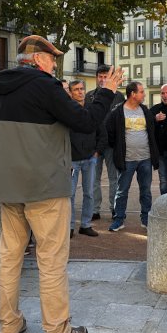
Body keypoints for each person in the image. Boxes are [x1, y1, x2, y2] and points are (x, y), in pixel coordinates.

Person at [0, 35, 123, 333]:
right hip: (45, 188)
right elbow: (86, 121)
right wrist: (106, 91)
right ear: (38, 59)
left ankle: (8, 325)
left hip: (9, 188)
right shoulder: (45, 87)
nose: (55, 64)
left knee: (9, 258)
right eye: (52, 58)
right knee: (52, 261)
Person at [105, 81, 159, 232]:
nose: (144, 94)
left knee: (146, 191)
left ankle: (146, 219)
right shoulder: (118, 112)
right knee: (122, 191)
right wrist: (118, 148)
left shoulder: (145, 110)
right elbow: (109, 131)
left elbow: (152, 130)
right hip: (126, 160)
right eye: (141, 92)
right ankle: (118, 219)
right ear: (133, 94)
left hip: (145, 159)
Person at [86, 64, 125, 221]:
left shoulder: (119, 96)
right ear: (96, 78)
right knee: (94, 179)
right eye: (100, 77)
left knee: (113, 178)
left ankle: (114, 208)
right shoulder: (89, 96)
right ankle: (95, 209)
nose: (103, 79)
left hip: (111, 144)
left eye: (105, 77)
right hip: (94, 145)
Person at [69, 79, 101, 238]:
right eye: (76, 89)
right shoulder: (67, 110)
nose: (80, 92)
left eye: (82, 88)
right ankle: (69, 227)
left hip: (90, 158)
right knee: (70, 194)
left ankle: (86, 225)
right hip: (72, 160)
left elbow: (101, 130)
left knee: (89, 193)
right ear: (70, 92)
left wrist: (97, 151)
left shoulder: (91, 109)